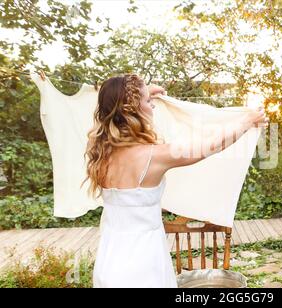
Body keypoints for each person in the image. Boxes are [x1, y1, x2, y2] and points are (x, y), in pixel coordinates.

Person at [83, 73, 267, 288]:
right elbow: (211, 144)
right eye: (147, 101)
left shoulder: (98, 149)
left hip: (110, 259)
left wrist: (142, 93)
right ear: (130, 108)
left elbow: (110, 106)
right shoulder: (153, 156)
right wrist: (246, 121)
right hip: (143, 263)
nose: (153, 106)